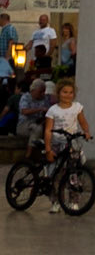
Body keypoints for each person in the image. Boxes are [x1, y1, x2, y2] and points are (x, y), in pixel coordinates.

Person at [42, 79, 91, 215]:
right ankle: (56, 201)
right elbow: (48, 130)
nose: (67, 95)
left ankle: (73, 201)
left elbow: (83, 122)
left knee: (73, 174)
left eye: (70, 92)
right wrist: (48, 149)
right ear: (58, 93)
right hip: (57, 144)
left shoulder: (77, 107)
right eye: (64, 92)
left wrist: (86, 132)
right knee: (56, 174)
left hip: (72, 144)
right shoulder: (53, 110)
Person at [16, 76, 51, 147]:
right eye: (40, 92)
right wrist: (40, 109)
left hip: (39, 122)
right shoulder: (26, 97)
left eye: (43, 91)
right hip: (25, 124)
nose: (42, 94)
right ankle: (29, 152)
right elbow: (24, 111)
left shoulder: (45, 98)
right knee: (37, 129)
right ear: (33, 90)